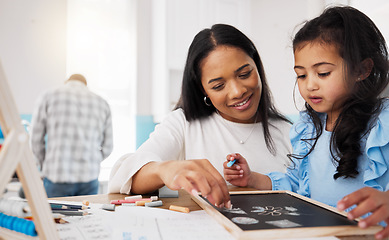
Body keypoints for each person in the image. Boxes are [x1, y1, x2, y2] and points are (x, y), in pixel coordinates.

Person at [224, 6, 389, 239]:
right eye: (301, 75)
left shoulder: (383, 123)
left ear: (362, 69)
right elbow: (297, 186)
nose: (310, 85)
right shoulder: (309, 127)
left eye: (322, 73)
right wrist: (251, 178)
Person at [108, 24, 292, 208]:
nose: (237, 92)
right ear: (202, 89)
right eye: (218, 86)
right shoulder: (183, 124)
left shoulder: (289, 133)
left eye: (244, 74)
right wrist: (166, 169)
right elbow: (124, 176)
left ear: (257, 67)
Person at [30, 74, 113, 197]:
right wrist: (93, 160)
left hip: (56, 176)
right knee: (88, 216)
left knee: (54, 216)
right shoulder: (102, 102)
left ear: (67, 82)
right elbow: (108, 146)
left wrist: (45, 164)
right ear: (85, 85)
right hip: (89, 178)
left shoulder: (49, 96)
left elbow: (35, 139)